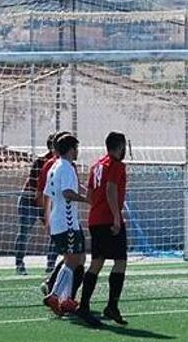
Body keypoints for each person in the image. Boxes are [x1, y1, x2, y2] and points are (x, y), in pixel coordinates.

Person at [78, 131, 129, 327]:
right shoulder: (115, 165)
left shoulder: (96, 165)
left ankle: (84, 306)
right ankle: (111, 305)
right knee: (120, 261)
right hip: (108, 220)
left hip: (95, 219)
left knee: (97, 263)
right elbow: (110, 189)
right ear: (120, 146)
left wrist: (98, 208)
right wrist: (117, 217)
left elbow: (90, 195)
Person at [41, 135, 88, 316]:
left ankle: (66, 298)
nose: (78, 151)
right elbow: (67, 193)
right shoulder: (66, 167)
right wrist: (87, 200)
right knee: (72, 261)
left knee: (78, 259)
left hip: (59, 221)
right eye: (76, 148)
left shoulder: (55, 166)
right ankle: (55, 295)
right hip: (67, 222)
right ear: (71, 149)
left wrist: (47, 220)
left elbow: (47, 194)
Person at [14, 132, 58, 276]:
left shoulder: (63, 163)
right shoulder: (40, 163)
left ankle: (50, 267)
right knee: (24, 233)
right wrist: (45, 211)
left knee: (56, 233)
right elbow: (36, 191)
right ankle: (19, 264)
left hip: (47, 202)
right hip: (30, 201)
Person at [36, 131, 72, 274]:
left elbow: (46, 192)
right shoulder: (59, 166)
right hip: (64, 217)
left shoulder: (57, 165)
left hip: (61, 216)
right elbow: (46, 192)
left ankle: (52, 281)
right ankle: (53, 285)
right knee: (74, 257)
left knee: (71, 256)